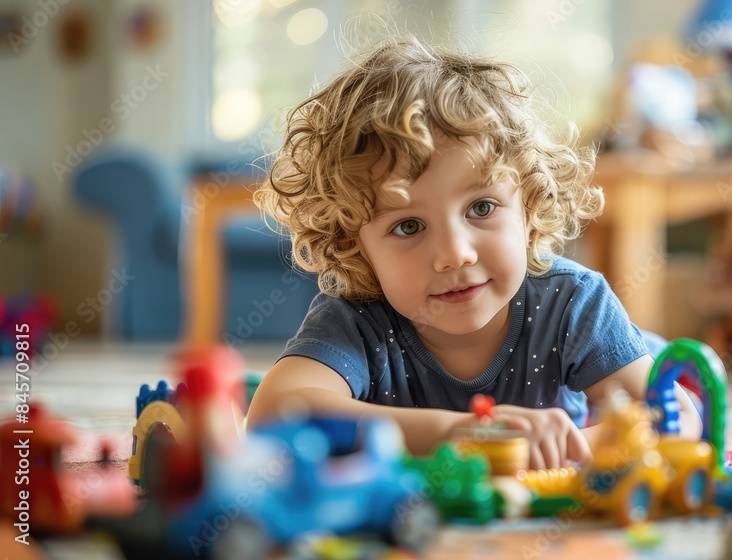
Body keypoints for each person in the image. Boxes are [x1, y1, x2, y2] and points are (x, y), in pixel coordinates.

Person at [246, 39, 701, 469]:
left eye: (481, 207)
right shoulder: (357, 319)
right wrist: (464, 434)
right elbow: (272, 415)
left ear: (528, 206)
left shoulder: (573, 302)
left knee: (676, 377)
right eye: (408, 226)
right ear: (355, 246)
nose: (455, 255)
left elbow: (673, 419)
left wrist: (553, 449)